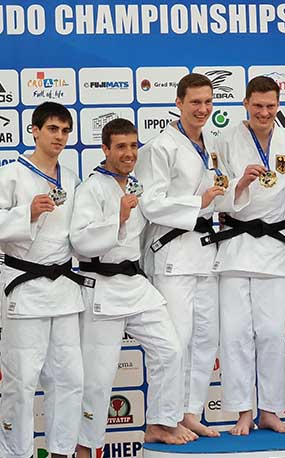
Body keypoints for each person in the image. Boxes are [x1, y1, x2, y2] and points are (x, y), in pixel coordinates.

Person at [136, 73, 253, 437]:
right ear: (179, 103)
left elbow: (219, 194)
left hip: (206, 252)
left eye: (208, 102)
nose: (202, 109)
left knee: (206, 338)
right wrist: (196, 202)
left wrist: (239, 187)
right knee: (176, 340)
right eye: (195, 103)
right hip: (172, 252)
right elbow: (150, 203)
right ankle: (163, 418)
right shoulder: (160, 147)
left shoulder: (213, 143)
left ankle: (187, 411)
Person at [70, 119, 196, 454]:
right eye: (121, 146)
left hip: (135, 284)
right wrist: (118, 218)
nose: (129, 153)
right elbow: (80, 242)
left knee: (170, 349)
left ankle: (160, 423)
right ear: (106, 149)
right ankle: (86, 447)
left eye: (134, 146)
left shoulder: (137, 185)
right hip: (101, 287)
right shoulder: (92, 188)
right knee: (98, 379)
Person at [206, 75, 285, 435]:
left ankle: (270, 409)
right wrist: (240, 184)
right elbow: (215, 193)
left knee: (269, 332)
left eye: (270, 106)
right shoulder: (224, 140)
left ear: (278, 105)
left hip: (274, 248)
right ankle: (242, 412)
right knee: (235, 333)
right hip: (236, 246)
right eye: (258, 106)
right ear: (245, 104)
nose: (264, 112)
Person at [0, 102, 87, 458]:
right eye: (53, 129)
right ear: (34, 130)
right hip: (26, 285)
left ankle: (61, 451)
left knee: (69, 379)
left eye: (66, 131)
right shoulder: (11, 174)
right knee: (21, 383)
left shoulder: (73, 178)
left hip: (64, 287)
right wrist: (27, 214)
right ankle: (15, 453)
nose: (60, 137)